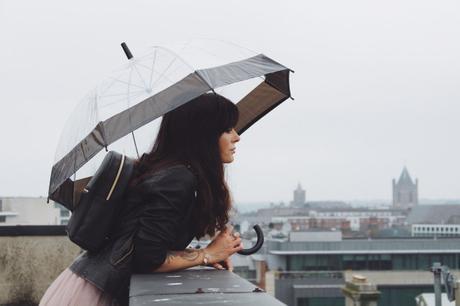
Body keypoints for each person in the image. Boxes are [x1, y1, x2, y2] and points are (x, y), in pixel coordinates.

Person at [40, 93, 243, 306]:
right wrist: (206, 255)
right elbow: (147, 259)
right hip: (95, 294)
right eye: (228, 129)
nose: (237, 136)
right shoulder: (178, 178)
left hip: (87, 283)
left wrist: (201, 255)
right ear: (203, 135)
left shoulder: (166, 172)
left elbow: (144, 245)